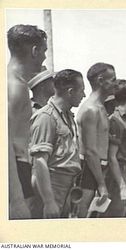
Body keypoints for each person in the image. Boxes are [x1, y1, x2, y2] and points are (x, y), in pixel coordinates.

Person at [29, 69, 85, 218]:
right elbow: (39, 161)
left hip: (67, 187)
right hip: (51, 186)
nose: (84, 95)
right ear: (70, 91)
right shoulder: (46, 117)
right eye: (82, 90)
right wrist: (48, 201)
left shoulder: (67, 116)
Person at [7, 24, 47, 219]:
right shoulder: (15, 87)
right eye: (44, 51)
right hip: (14, 171)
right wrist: (16, 200)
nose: (45, 57)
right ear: (34, 50)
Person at [76, 63, 116, 218]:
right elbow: (90, 151)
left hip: (98, 169)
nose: (115, 83)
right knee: (84, 217)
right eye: (113, 79)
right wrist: (101, 184)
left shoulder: (100, 108)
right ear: (101, 80)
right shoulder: (91, 109)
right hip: (89, 170)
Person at [102, 83, 126, 217]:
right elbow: (112, 157)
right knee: (116, 218)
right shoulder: (115, 120)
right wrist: (122, 186)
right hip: (118, 176)